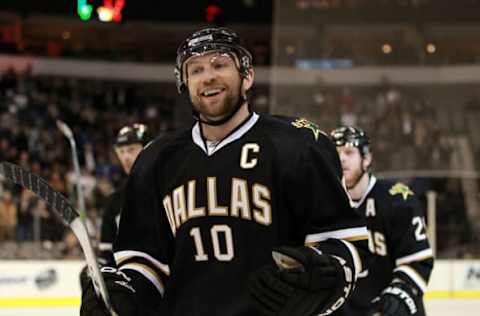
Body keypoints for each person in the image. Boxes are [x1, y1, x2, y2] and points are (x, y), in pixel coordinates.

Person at [81, 27, 368, 316]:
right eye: (196, 70)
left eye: (220, 64)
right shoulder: (157, 160)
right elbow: (146, 262)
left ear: (247, 76)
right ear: (185, 83)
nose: (208, 76)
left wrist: (325, 275)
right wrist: (123, 297)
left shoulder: (300, 145)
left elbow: (345, 245)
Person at [330, 126, 434, 316]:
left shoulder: (397, 200)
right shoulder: (322, 204)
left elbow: (417, 260)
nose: (341, 159)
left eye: (349, 152)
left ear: (367, 158)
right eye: (336, 153)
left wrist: (398, 297)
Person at [98, 123, 151, 265]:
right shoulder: (115, 201)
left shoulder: (167, 190)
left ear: (149, 149)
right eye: (121, 152)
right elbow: (106, 252)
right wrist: (98, 270)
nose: (125, 157)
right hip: (129, 276)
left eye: (131, 150)